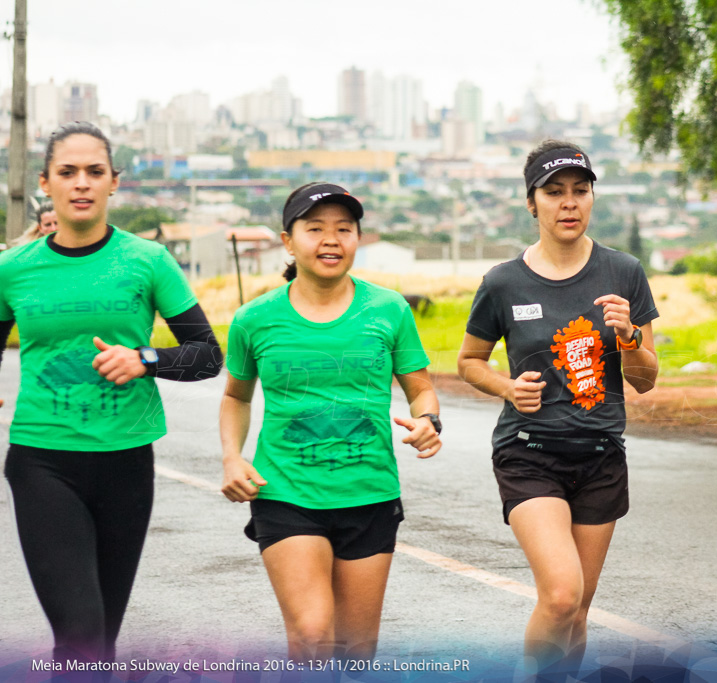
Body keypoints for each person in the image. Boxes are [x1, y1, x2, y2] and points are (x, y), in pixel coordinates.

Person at [0, 121, 223, 662]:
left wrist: (145, 359)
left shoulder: (146, 261)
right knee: (80, 636)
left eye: (94, 172)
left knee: (99, 643)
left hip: (126, 461)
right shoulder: (13, 268)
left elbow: (207, 355)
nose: (81, 183)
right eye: (67, 172)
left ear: (113, 183)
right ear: (46, 185)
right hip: (43, 461)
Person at [457, 140, 659, 673]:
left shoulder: (624, 273)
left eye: (579, 191)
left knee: (578, 611)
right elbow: (470, 361)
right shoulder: (503, 282)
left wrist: (631, 336)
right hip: (529, 454)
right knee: (562, 596)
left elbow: (644, 381)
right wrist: (505, 388)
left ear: (592, 198)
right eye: (554, 193)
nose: (568, 203)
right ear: (532, 203)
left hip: (600, 456)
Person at [219, 182, 441, 662]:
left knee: (357, 653)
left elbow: (420, 388)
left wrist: (430, 422)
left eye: (344, 229)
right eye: (315, 228)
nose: (331, 239)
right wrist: (232, 458)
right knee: (313, 633)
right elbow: (236, 396)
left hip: (370, 494)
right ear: (288, 241)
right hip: (285, 493)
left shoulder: (388, 309)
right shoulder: (254, 319)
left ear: (358, 238)